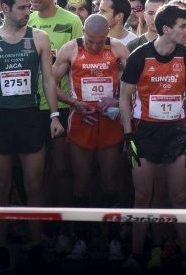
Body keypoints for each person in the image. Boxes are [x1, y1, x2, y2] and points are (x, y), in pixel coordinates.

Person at [0, 0, 63, 248]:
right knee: (1, 185)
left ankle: (36, 243)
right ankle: (0, 243)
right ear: (5, 8)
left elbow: (48, 80)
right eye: (22, 8)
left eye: (29, 7)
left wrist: (55, 115)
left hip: (31, 118)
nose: (27, 12)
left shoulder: (39, 38)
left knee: (34, 185)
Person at [119, 4, 186, 270]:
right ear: (166, 29)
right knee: (143, 195)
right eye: (182, 26)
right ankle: (136, 253)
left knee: (179, 195)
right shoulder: (140, 56)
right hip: (144, 133)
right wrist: (128, 135)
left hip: (177, 133)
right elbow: (124, 98)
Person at [52, 14, 129, 261]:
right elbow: (50, 83)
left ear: (108, 33)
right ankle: (82, 237)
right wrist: (74, 103)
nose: (95, 46)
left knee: (109, 181)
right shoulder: (70, 48)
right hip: (82, 121)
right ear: (83, 30)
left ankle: (113, 238)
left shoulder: (117, 48)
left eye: (100, 41)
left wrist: (117, 100)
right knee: (81, 181)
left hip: (110, 121)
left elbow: (136, 82)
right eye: (90, 41)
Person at [24, 0, 83, 240]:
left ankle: (66, 227)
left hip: (63, 104)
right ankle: (40, 226)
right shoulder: (27, 19)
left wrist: (56, 56)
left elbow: (80, 58)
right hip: (31, 105)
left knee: (62, 169)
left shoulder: (71, 21)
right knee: (39, 171)